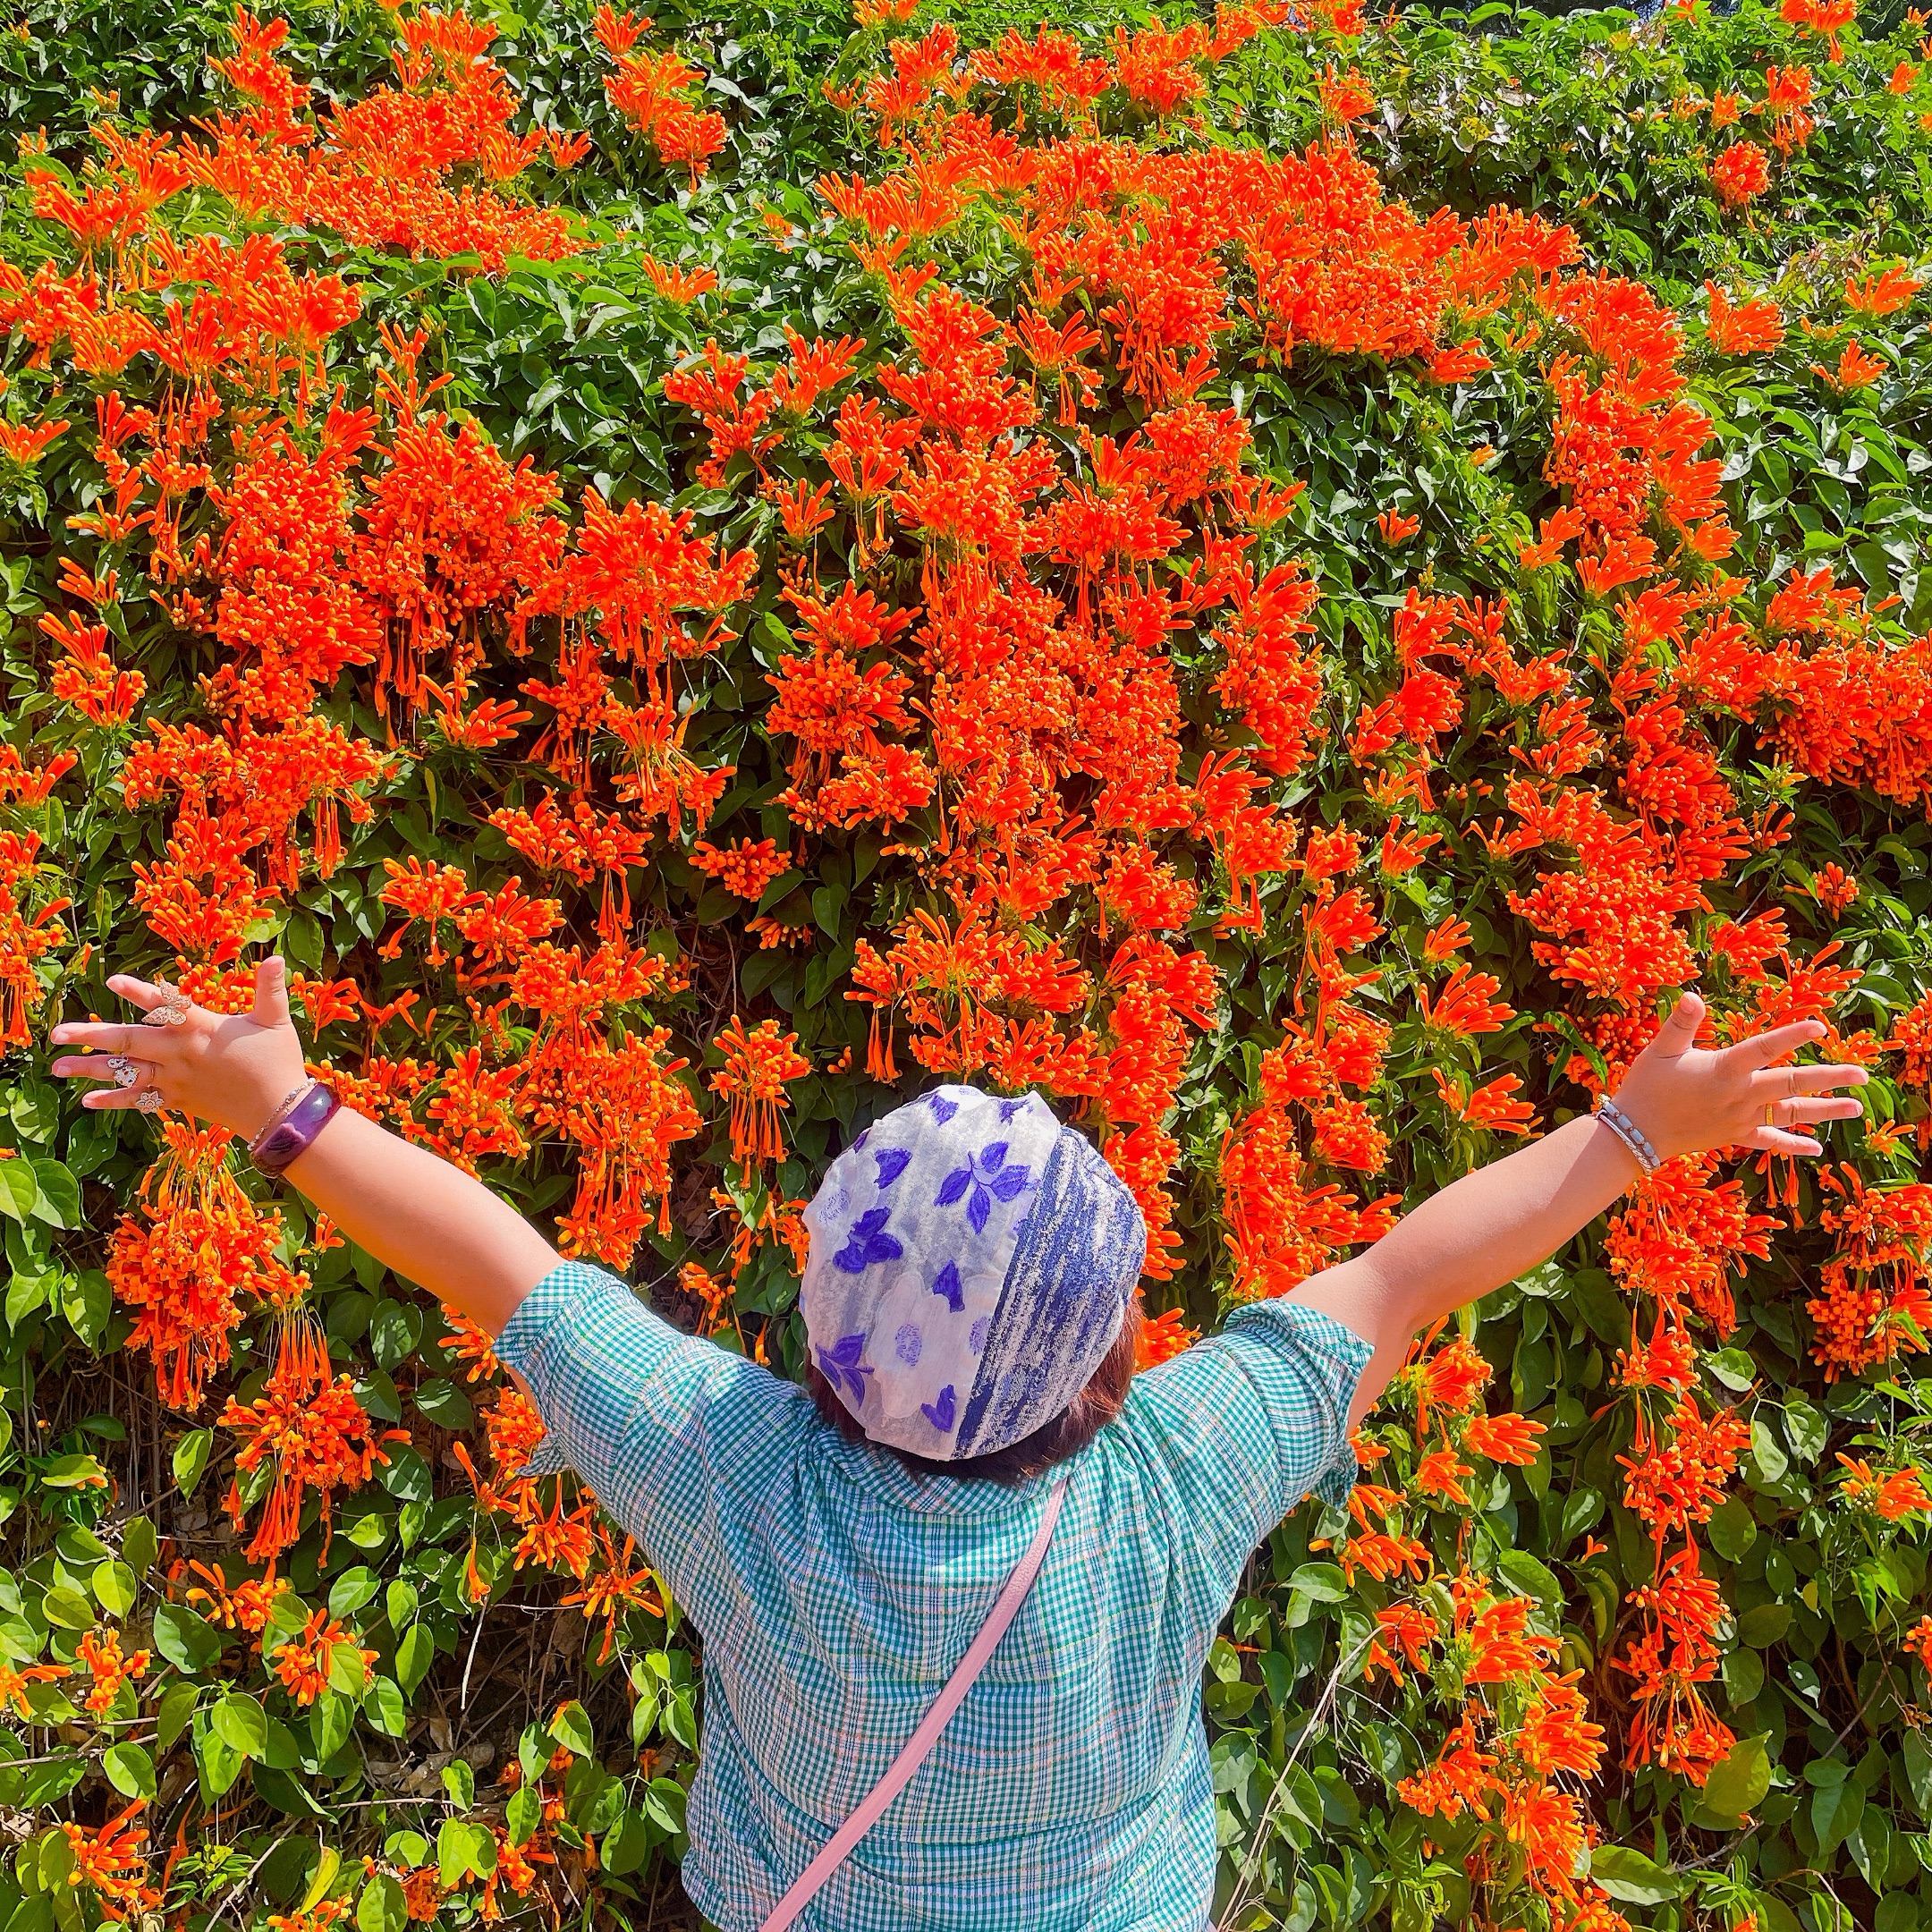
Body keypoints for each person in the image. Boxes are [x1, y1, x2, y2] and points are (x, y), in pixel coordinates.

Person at [50, 960, 1866, 1932]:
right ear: (1111, 1359)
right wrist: (1638, 1127)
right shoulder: (1184, 1472)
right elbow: (1408, 1273)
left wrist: (281, 1105)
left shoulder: (730, 1468)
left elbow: (500, 1268)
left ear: (821, 1332)